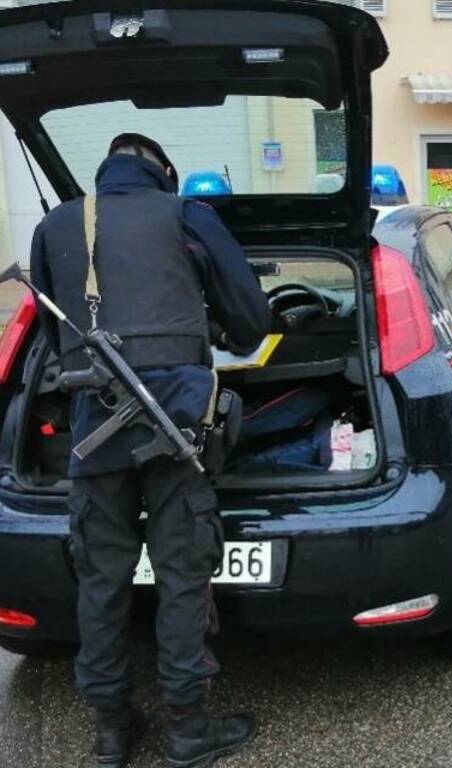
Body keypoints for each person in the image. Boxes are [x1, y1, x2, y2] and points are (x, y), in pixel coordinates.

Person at [30, 134, 272, 767]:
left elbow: (55, 339)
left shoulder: (58, 223)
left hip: (93, 433)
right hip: (178, 433)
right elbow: (252, 321)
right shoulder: (188, 215)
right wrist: (211, 326)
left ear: (107, 172)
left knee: (101, 582)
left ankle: (112, 733)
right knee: (183, 576)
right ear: (164, 173)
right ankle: (188, 732)